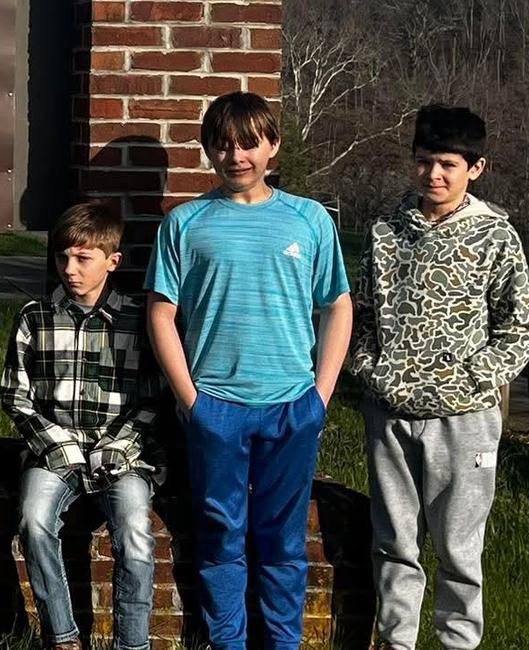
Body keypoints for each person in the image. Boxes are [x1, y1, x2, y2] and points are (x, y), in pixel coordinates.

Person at [145, 91, 352, 650]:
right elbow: (161, 313)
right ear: (209, 151)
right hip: (216, 408)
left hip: (292, 406)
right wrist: (192, 401)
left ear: (272, 147)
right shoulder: (185, 224)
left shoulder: (309, 220)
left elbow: (337, 304)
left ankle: (283, 642)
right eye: (223, 145)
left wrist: (320, 395)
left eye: (249, 143)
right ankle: (226, 641)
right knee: (220, 537)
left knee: (283, 540)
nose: (236, 155)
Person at [349, 104, 529, 650]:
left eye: (448, 164)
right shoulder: (386, 230)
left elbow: (519, 327)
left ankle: (458, 642)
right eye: (425, 162)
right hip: (390, 414)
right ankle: (396, 641)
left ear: (474, 168)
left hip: (465, 421)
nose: (435, 174)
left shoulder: (495, 236)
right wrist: (372, 371)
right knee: (394, 544)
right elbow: (360, 315)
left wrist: (474, 380)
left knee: (459, 548)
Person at [2, 201, 160, 650]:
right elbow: (15, 394)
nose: (69, 269)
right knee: (33, 520)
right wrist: (56, 445)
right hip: (54, 449)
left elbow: (153, 399)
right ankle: (63, 635)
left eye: (83, 258)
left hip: (122, 453)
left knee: (133, 531)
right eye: (62, 258)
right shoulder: (36, 316)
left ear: (112, 261)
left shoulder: (136, 319)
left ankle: (132, 642)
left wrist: (121, 445)